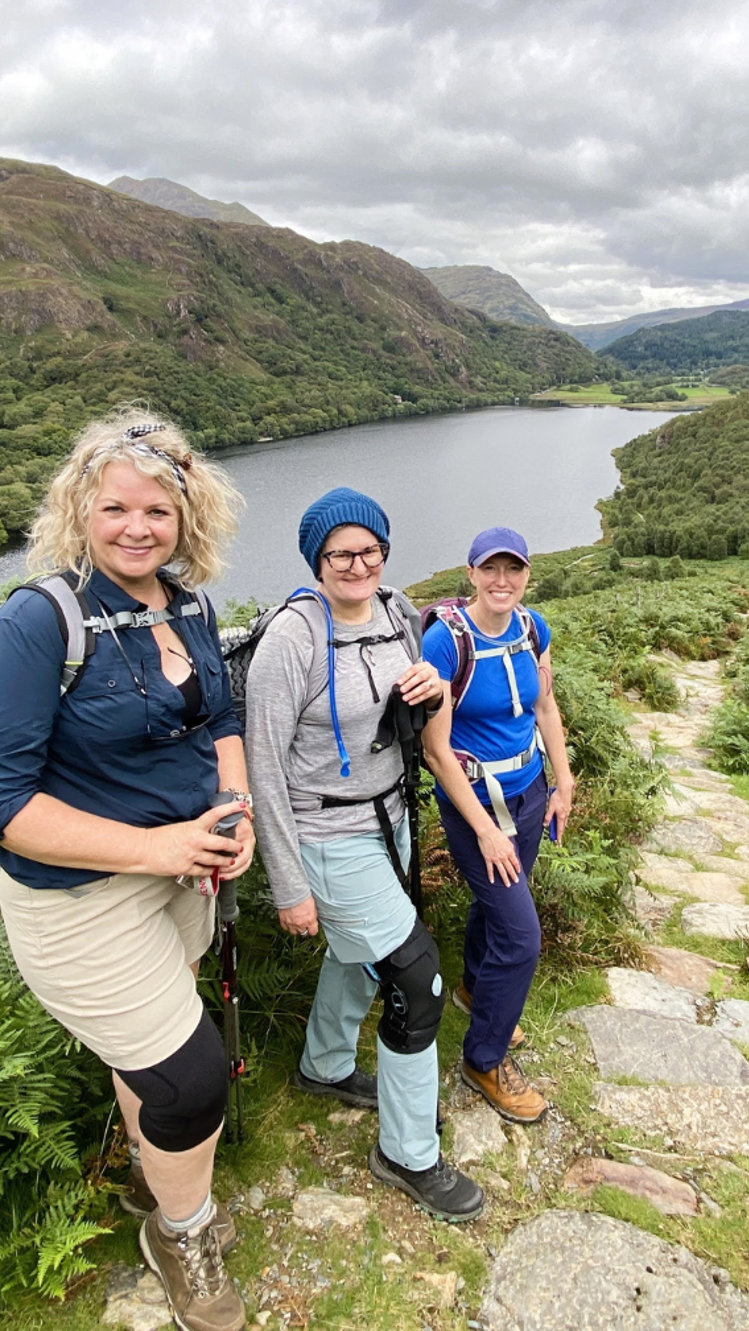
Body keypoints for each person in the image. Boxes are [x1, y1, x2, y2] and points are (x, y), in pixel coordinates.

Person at [0, 409, 253, 1331]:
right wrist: (155, 846)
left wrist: (231, 811)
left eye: (157, 510)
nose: (136, 528)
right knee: (192, 1075)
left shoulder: (185, 602)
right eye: (115, 507)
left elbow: (220, 716)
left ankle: (147, 1179)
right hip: (79, 896)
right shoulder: (40, 622)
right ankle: (182, 1234)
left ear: (186, 516)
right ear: (80, 510)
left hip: (180, 875)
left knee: (149, 1050)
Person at [244, 487, 486, 1222]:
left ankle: (324, 1065)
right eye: (340, 552)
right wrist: (287, 882)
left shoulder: (396, 612)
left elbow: (418, 705)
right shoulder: (292, 638)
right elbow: (262, 764)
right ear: (316, 559)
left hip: (390, 818)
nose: (358, 563)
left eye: (370, 549)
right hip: (324, 831)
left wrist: (436, 685)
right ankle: (407, 1152)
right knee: (416, 977)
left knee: (356, 953)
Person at [419, 527, 573, 1125]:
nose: (502, 581)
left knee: (496, 910)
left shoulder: (534, 629)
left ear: (527, 575)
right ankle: (484, 1058)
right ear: (472, 573)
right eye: (491, 570)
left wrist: (563, 781)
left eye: (513, 570)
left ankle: (474, 992)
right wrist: (483, 828)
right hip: (475, 806)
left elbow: (545, 707)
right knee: (522, 936)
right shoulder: (445, 643)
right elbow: (436, 751)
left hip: (530, 793)